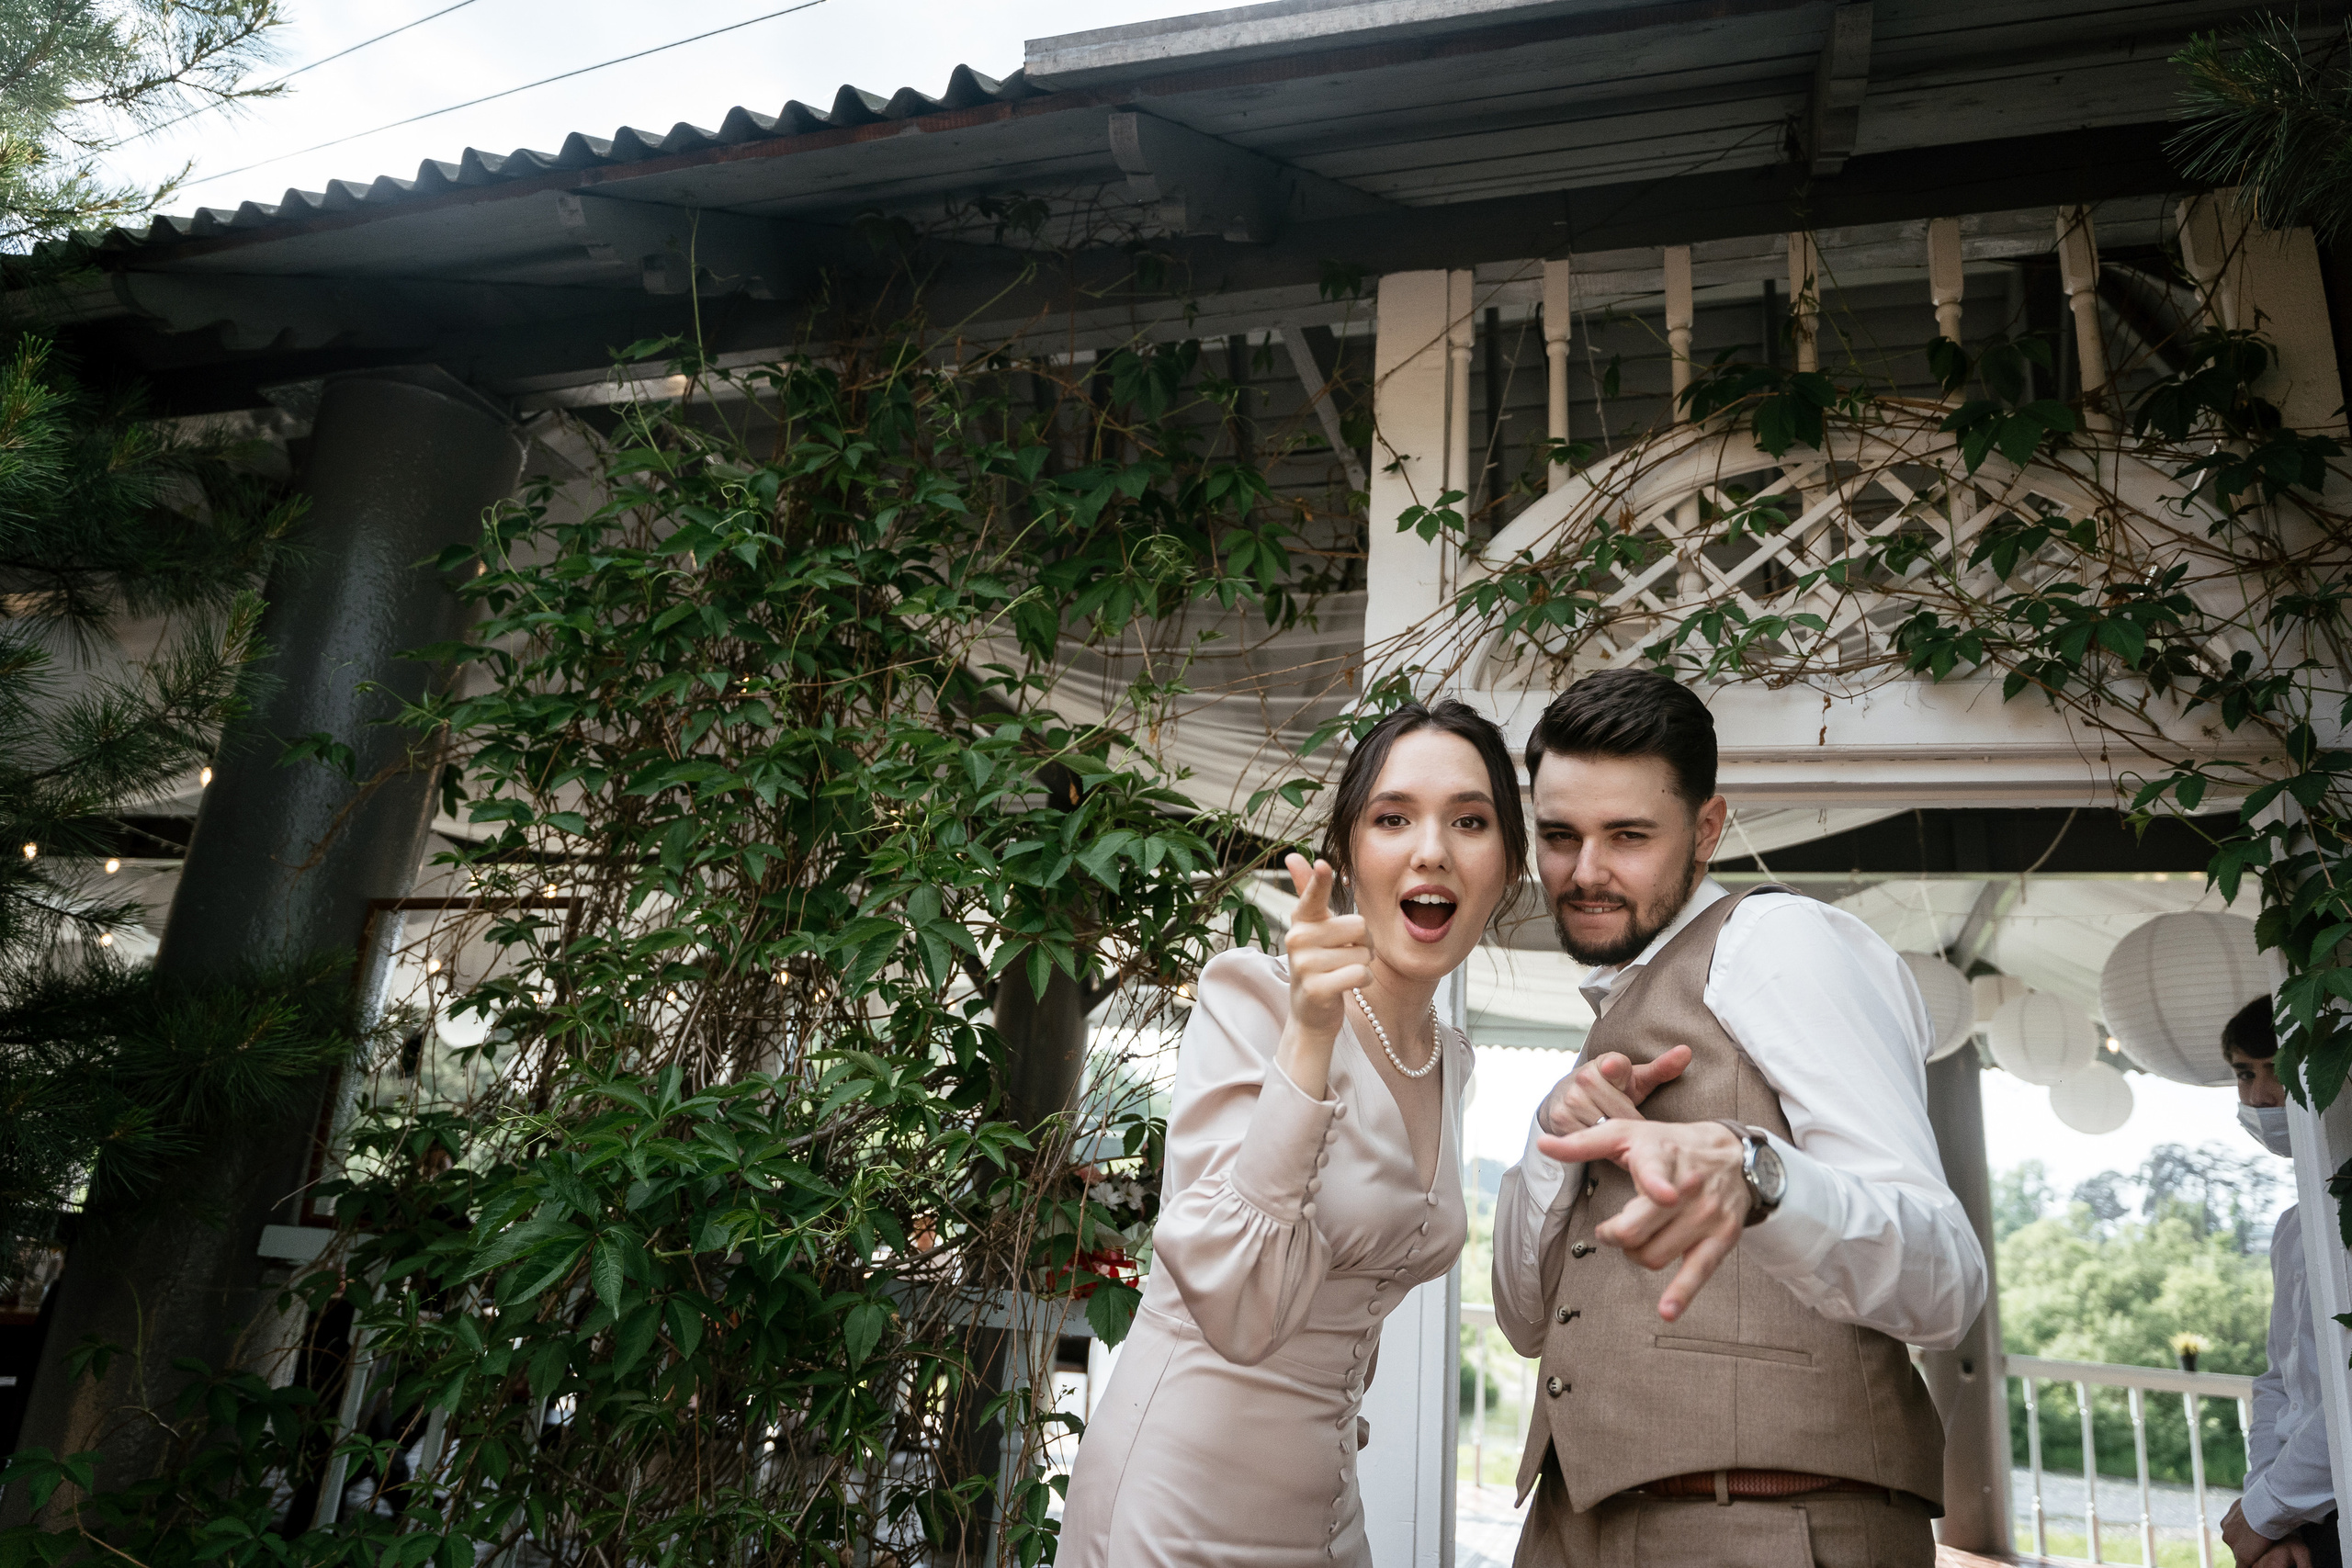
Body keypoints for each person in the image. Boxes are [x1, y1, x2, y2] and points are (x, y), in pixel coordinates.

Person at [1490, 668, 1986, 1567]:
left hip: (1765, 1525)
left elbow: (1946, 1281)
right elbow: (1527, 1326)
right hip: (1569, 1525)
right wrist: (1548, 1136)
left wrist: (1759, 1174)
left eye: (1628, 835)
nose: (1584, 872)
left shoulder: (1774, 941)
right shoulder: (1613, 1013)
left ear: (1708, 828)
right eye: (1559, 836)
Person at [1058, 698, 1525, 1567]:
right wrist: (1310, 1033)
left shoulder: (1450, 1059)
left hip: (1325, 1511)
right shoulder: (1253, 999)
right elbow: (1239, 1307)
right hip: (1176, 1502)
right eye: (1393, 818)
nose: (1432, 849)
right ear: (1346, 851)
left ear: (1509, 865)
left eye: (1470, 820)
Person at [2221, 996, 2338, 1568]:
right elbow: (2277, 1382)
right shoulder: (2293, 1224)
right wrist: (2269, 1511)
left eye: (2279, 1069)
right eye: (2246, 1073)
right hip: (2298, 1507)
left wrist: (2268, 1510)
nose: (2261, 1095)